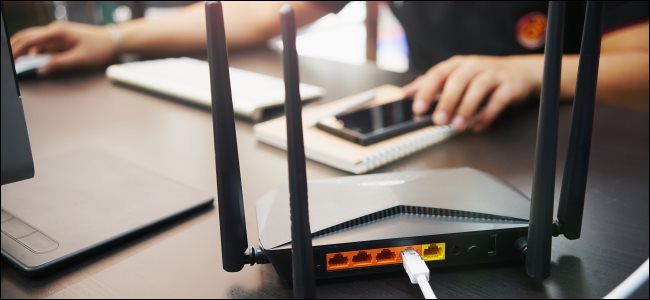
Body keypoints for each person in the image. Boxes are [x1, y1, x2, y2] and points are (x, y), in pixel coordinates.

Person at [10, 1, 649, 132]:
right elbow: (263, 12)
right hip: (445, 132)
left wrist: (534, 72)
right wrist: (117, 38)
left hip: (594, 157)